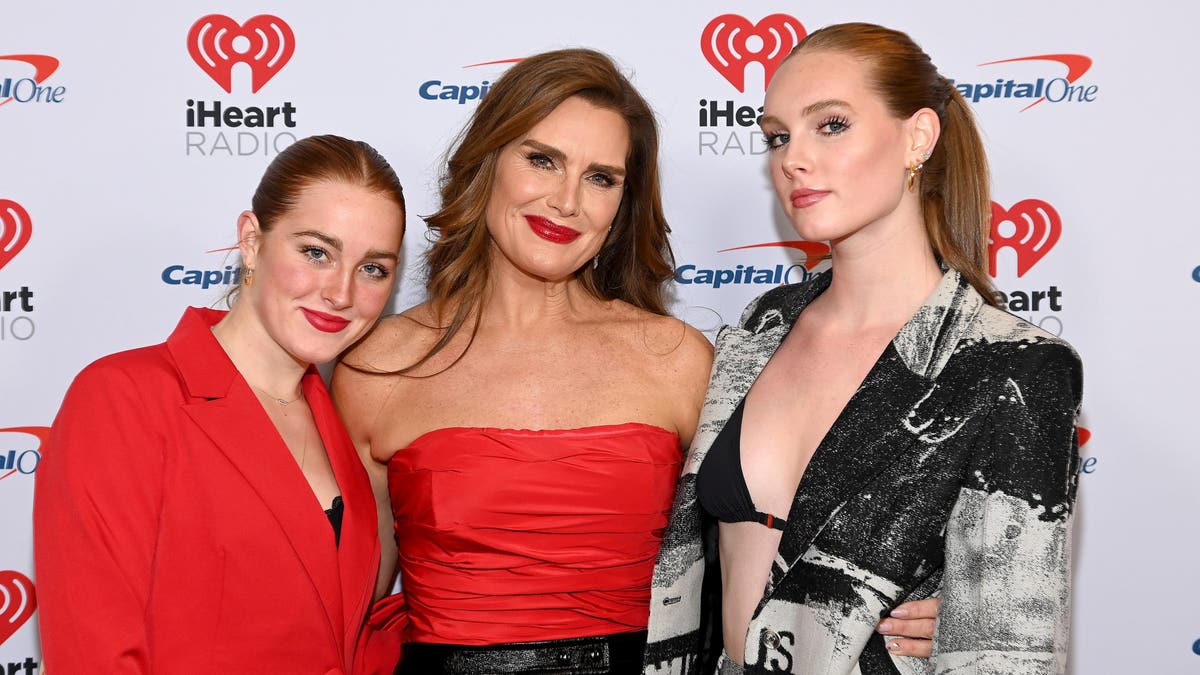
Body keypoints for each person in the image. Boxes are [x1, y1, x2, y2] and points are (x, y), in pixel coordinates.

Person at [336, 48, 939, 675]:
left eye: (602, 178)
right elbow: (344, 600)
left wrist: (940, 605)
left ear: (624, 202)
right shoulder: (380, 366)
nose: (566, 201)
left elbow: (780, 544)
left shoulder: (677, 361)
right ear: (488, 163)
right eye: (542, 160)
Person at [643, 22, 1082, 675]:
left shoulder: (1012, 368)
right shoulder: (760, 329)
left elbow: (1008, 652)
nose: (791, 158)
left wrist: (976, 623)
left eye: (831, 125)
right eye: (777, 136)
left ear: (918, 137)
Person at [33, 135, 407, 674]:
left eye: (373, 268)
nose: (341, 293)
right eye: (316, 252)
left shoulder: (344, 426)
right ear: (252, 241)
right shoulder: (125, 398)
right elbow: (94, 654)